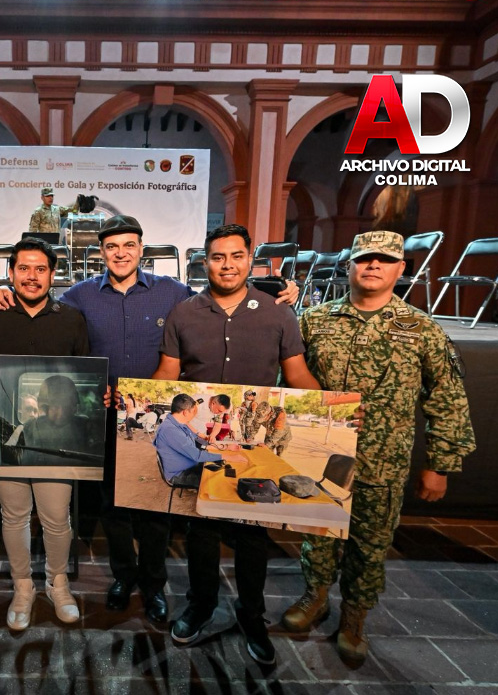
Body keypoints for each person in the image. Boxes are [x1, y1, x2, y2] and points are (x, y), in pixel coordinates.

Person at [0, 214, 300, 626]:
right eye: (112, 247)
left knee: (154, 509)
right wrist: (0, 293)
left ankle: (153, 586)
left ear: (141, 248)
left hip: (154, 417)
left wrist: (278, 289)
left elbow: (221, 296)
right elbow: (41, 302)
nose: (121, 253)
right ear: (100, 252)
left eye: (129, 245)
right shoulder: (80, 296)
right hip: (103, 418)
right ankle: (123, 577)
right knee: (113, 506)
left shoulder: (173, 292)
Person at [282, 230, 476, 667]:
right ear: (349, 265)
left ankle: (354, 618)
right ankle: (315, 597)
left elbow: (447, 397)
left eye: (385, 260)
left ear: (400, 269)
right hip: (322, 453)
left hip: (382, 460)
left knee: (370, 545)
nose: (373, 265)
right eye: (365, 258)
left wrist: (441, 464)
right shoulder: (315, 320)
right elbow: (288, 385)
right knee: (318, 535)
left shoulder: (422, 329)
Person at [153, 223, 320, 665]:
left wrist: (337, 413)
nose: (227, 265)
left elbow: (298, 375)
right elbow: (167, 374)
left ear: (250, 260)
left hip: (252, 446)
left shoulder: (278, 314)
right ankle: (201, 605)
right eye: (217, 257)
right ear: (204, 262)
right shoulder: (183, 313)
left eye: (236, 256)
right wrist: (129, 399)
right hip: (207, 442)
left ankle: (251, 614)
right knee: (201, 531)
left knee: (251, 535)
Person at [0, 237, 90, 631]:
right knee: (14, 516)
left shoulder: (72, 319)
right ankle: (23, 587)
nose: (31, 276)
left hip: (58, 443)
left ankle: (57, 583)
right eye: (23, 268)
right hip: (4, 439)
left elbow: (85, 375)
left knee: (56, 517)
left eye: (40, 269)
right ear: (11, 272)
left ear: (52, 275)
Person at [155, 394, 226, 488]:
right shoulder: (171, 429)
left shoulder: (178, 423)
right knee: (219, 482)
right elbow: (197, 455)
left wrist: (221, 447)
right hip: (179, 473)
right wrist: (225, 456)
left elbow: (197, 441)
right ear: (185, 412)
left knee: (221, 469)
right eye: (193, 412)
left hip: (189, 464)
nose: (194, 415)